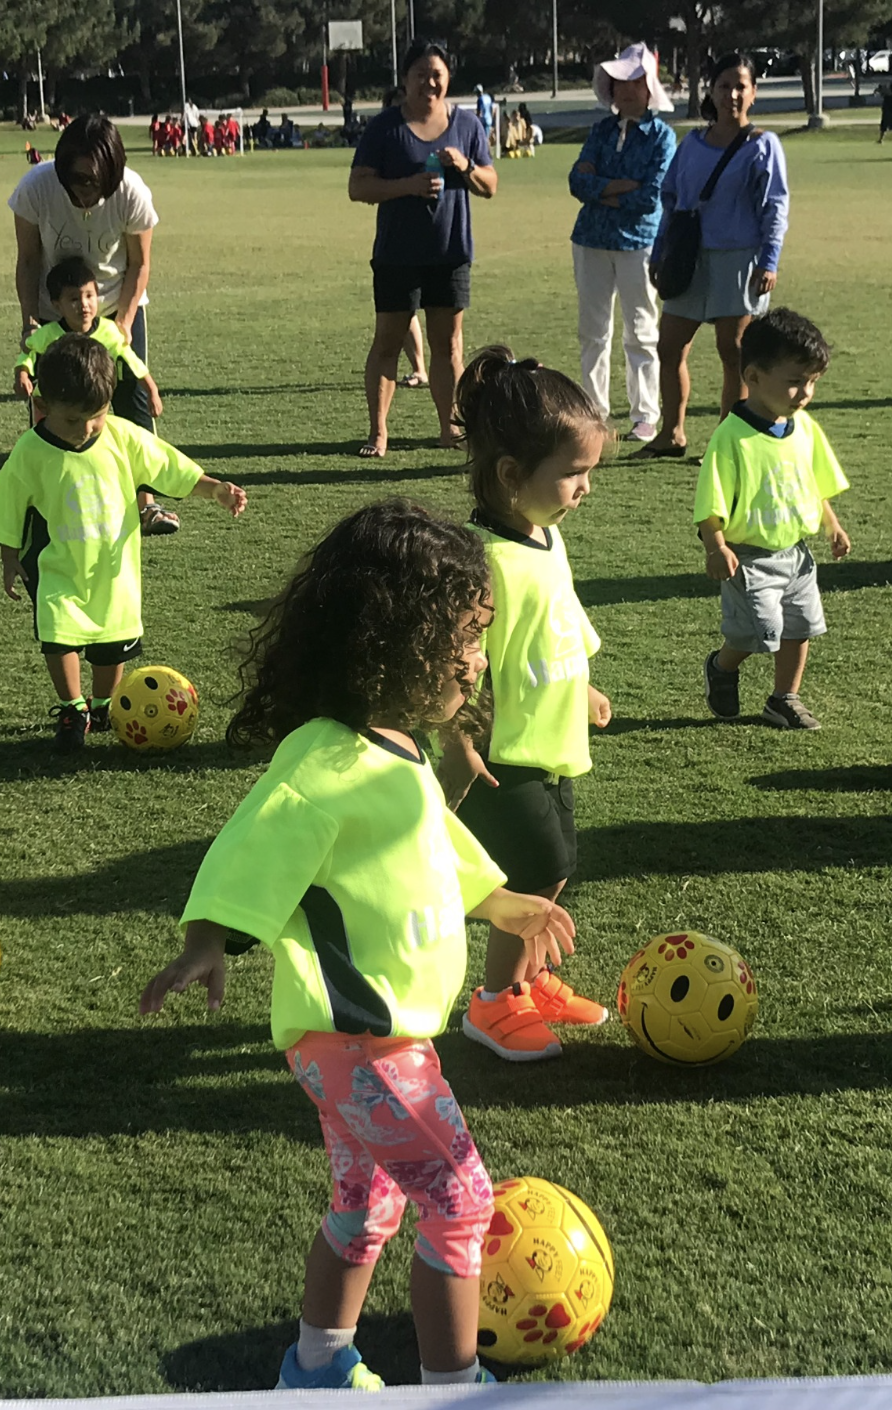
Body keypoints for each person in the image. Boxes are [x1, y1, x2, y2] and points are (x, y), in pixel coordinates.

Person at [139, 498, 576, 1390]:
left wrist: (502, 904)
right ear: (395, 638)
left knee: (366, 1201)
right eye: (464, 636)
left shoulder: (392, 750)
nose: (476, 658)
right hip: (364, 1046)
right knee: (460, 1201)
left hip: (365, 1046)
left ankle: (315, 1365)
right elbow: (253, 845)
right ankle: (453, 1386)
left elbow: (430, 846)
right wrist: (209, 937)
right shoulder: (324, 761)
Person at [439, 350, 611, 1061]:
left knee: (556, 864)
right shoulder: (482, 563)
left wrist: (583, 686)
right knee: (531, 873)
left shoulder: (545, 536)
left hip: (554, 741)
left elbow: (558, 618)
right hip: (503, 755)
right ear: (512, 475)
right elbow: (456, 663)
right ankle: (494, 1002)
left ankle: (531, 979)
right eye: (573, 474)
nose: (585, 487)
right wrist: (457, 741)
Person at [0, 337, 245, 751]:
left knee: (111, 642)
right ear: (43, 406)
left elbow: (169, 467)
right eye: (72, 420)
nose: (85, 429)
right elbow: (9, 504)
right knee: (58, 636)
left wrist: (214, 489)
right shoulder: (30, 451)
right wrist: (9, 557)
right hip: (58, 566)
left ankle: (104, 705)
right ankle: (73, 708)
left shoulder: (123, 437)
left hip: (114, 571)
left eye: (97, 417)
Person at [11, 113, 177, 533]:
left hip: (116, 309)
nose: (84, 191)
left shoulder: (132, 193)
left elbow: (140, 264)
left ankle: (146, 504)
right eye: (76, 180)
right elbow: (28, 260)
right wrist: (30, 320)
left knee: (131, 405)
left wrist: (124, 321)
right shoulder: (36, 188)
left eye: (93, 181)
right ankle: (44, 509)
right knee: (53, 409)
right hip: (55, 313)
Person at [695, 309, 852, 732]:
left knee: (800, 627)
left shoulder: (805, 429)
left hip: (796, 555)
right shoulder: (732, 437)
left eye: (813, 382)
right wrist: (716, 547)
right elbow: (709, 505)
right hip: (748, 558)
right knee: (758, 633)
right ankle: (722, 666)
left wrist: (832, 526)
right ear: (754, 376)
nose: (805, 393)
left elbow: (814, 485)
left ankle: (785, 699)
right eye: (795, 380)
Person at [349, 37, 497, 458]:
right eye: (420, 75)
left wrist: (465, 166)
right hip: (397, 255)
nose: (429, 83)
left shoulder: (467, 126)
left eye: (437, 75)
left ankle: (450, 427)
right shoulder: (385, 128)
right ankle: (378, 433)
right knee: (387, 344)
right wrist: (407, 186)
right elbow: (358, 187)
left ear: (448, 78)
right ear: (405, 79)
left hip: (450, 253)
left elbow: (490, 184)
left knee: (448, 347)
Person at [637, 53, 788, 461]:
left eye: (740, 86)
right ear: (711, 91)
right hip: (689, 258)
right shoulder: (692, 144)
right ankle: (671, 434)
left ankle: (725, 442)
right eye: (724, 86)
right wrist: (659, 251)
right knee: (670, 346)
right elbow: (671, 201)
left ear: (753, 93)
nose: (732, 94)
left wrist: (769, 260)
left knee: (733, 352)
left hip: (738, 260)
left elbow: (775, 207)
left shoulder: (763, 146)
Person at [569, 42, 678, 444]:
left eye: (636, 82)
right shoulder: (599, 131)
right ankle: (593, 412)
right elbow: (576, 182)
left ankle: (645, 414)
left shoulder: (662, 137)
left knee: (641, 330)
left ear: (650, 88)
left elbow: (651, 195)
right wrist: (618, 187)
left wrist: (600, 188)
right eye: (621, 83)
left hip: (639, 243)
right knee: (592, 331)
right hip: (591, 240)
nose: (628, 90)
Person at [13, 256, 162, 424]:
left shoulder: (109, 331)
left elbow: (133, 362)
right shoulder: (48, 334)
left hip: (92, 407)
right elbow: (28, 352)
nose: (83, 304)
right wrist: (22, 374)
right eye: (74, 299)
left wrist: (152, 391)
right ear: (57, 305)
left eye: (89, 296)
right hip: (53, 407)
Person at [877, 78, 892, 144]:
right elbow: (883, 94)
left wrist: (883, 90)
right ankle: (880, 139)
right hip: (886, 108)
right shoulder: (888, 89)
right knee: (884, 124)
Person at [474, 83, 495, 152]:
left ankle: (486, 152)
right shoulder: (488, 97)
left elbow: (479, 112)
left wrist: (476, 119)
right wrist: (491, 118)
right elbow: (492, 109)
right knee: (487, 137)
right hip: (489, 119)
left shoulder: (480, 99)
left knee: (483, 138)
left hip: (483, 120)